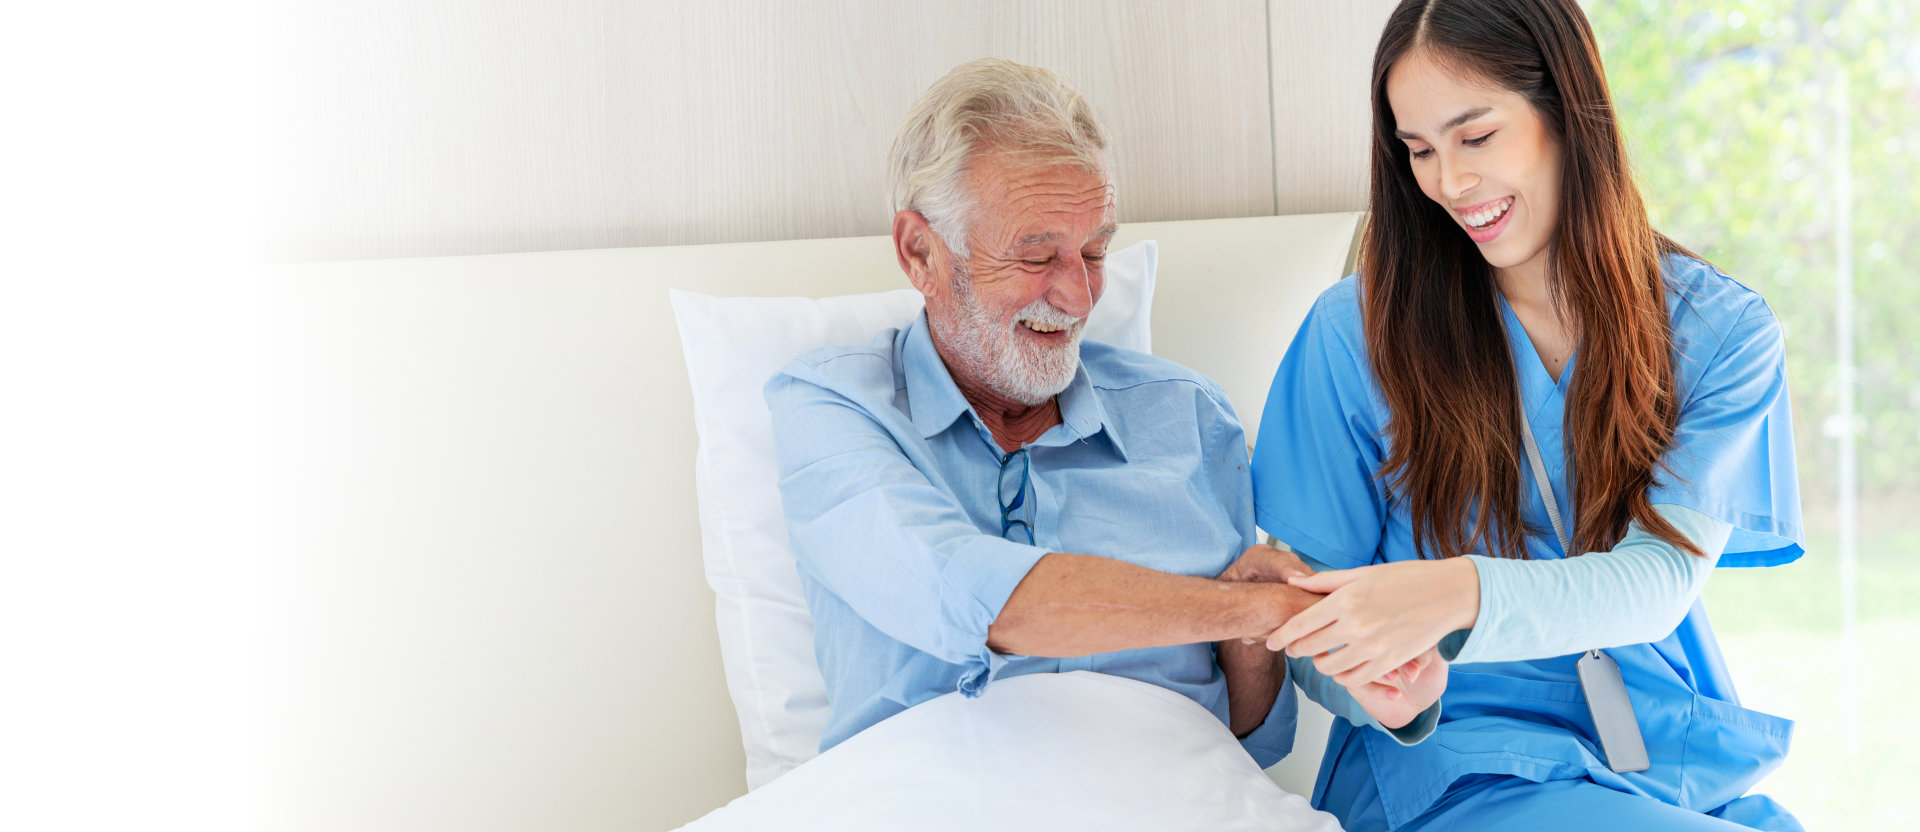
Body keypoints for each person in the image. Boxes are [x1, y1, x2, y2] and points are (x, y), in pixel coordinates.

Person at [764, 57, 1444, 772]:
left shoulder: (1189, 416)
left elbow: (1254, 737)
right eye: (1036, 255)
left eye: (1094, 251)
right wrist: (1244, 612)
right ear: (921, 251)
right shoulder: (833, 409)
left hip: (1178, 800)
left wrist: (1255, 632)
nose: (1079, 297)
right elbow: (973, 595)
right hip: (921, 796)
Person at [1241, 0, 1805, 829]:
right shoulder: (1352, 335)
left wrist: (1453, 592)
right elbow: (1307, 609)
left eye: (1476, 137)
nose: (1450, 183)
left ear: (1567, 111)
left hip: (1657, 755)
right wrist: (1383, 691)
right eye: (1420, 151)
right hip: (1453, 761)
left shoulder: (1719, 332)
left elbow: (1658, 582)